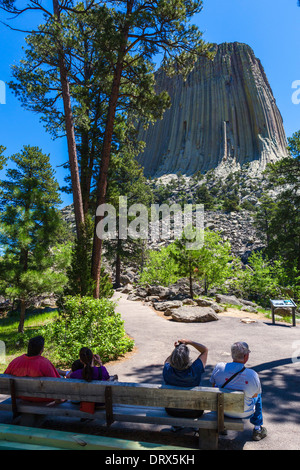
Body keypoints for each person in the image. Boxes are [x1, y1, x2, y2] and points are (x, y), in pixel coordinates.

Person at [210, 341, 267, 441]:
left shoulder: (219, 367)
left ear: (232, 354)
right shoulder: (252, 375)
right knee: (258, 397)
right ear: (246, 356)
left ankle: (222, 425)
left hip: (221, 409)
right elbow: (255, 395)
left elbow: (213, 385)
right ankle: (257, 429)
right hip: (244, 412)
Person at [4, 335, 62, 402]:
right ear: (41, 350)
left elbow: (5, 379)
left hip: (22, 397)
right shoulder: (45, 363)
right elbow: (56, 386)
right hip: (43, 400)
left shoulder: (15, 362)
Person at [163, 338, 208, 420]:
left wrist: (177, 349)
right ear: (187, 359)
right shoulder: (195, 370)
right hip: (194, 411)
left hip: (172, 410)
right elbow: (205, 350)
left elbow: (167, 361)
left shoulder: (167, 370)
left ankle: (176, 426)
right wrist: (189, 342)